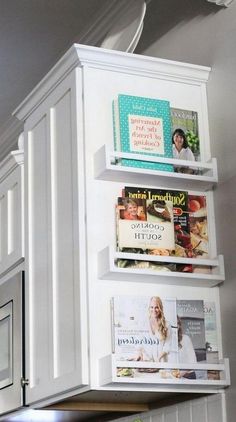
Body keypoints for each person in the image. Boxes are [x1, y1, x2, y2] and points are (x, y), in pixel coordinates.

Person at [135, 296, 177, 363]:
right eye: (152, 307)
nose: (154, 310)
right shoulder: (143, 323)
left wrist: (158, 358)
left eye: (156, 307)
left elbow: (167, 346)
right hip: (147, 361)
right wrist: (140, 354)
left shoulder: (167, 325)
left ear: (160, 308)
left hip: (161, 361)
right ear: (149, 308)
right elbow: (139, 342)